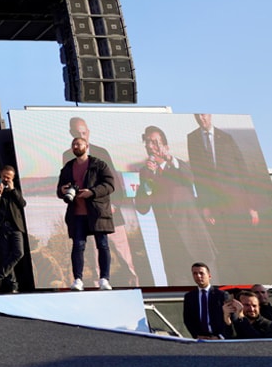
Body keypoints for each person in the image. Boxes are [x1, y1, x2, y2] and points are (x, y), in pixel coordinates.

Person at [62, 117, 141, 286]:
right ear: (71, 133)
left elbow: (113, 182)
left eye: (84, 132)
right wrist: (64, 190)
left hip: (108, 212)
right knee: (93, 254)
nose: (82, 136)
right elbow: (68, 183)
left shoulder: (101, 153)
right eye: (77, 133)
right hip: (85, 216)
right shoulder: (67, 157)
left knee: (123, 253)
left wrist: (115, 204)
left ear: (89, 132)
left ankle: (134, 285)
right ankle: (99, 287)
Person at [133, 126, 217, 283]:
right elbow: (142, 208)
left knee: (210, 289)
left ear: (166, 147)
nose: (150, 146)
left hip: (195, 240)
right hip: (171, 246)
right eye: (147, 142)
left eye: (155, 142)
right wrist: (147, 181)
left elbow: (189, 178)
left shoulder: (178, 167)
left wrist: (170, 159)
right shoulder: (145, 172)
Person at [187, 114, 258, 262]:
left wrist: (251, 205)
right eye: (197, 115)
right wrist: (205, 206)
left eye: (203, 114)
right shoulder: (192, 138)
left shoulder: (226, 138)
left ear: (210, 115)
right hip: (214, 203)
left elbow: (242, 170)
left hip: (235, 201)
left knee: (242, 244)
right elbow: (198, 175)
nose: (201, 118)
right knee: (224, 247)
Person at [57, 136, 115, 291]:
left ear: (86, 146)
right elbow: (59, 190)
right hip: (76, 213)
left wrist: (92, 192)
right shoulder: (68, 167)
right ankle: (78, 280)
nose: (75, 146)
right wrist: (62, 190)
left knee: (102, 245)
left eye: (78, 144)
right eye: (73, 144)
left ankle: (104, 279)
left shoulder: (99, 164)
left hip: (97, 212)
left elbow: (110, 185)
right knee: (78, 246)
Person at [0, 165, 26, 294]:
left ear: (13, 178)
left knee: (18, 252)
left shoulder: (16, 188)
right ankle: (13, 285)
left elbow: (22, 203)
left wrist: (13, 190)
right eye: (4, 176)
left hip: (15, 226)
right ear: (0, 175)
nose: (5, 179)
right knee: (5, 257)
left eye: (8, 177)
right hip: (1, 226)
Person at [182, 262, 229, 339]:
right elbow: (187, 319)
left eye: (201, 273)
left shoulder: (221, 295)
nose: (198, 276)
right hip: (201, 339)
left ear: (209, 276)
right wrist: (196, 335)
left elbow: (229, 318)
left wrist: (220, 336)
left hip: (219, 339)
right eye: (195, 273)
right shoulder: (189, 297)